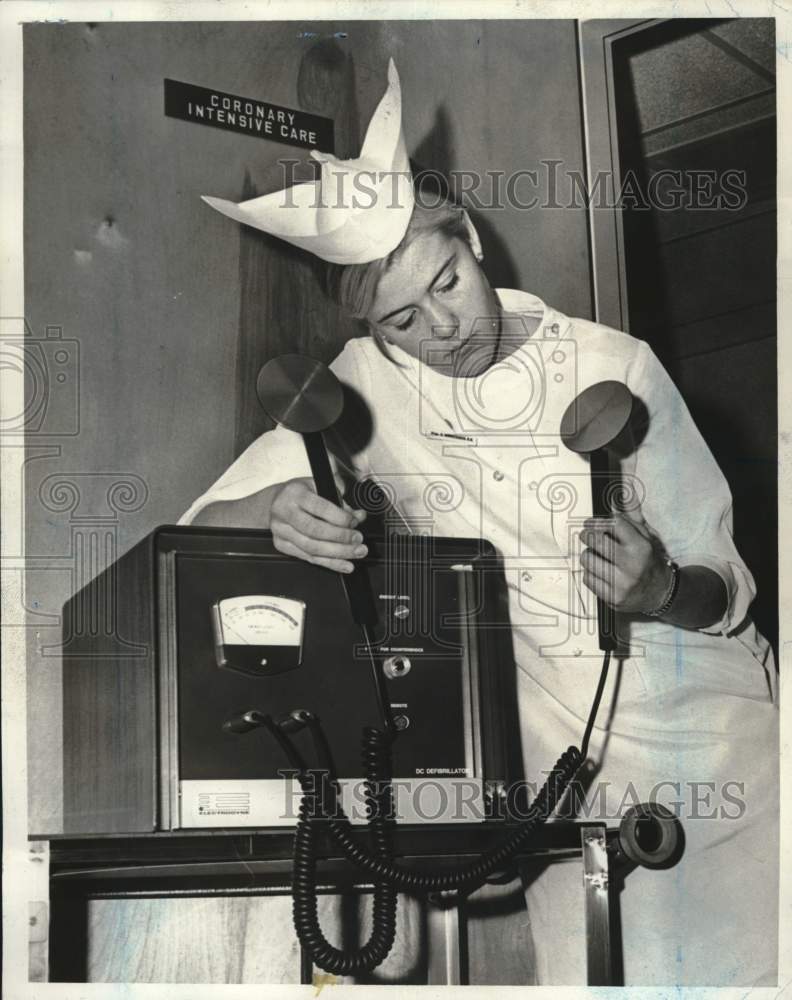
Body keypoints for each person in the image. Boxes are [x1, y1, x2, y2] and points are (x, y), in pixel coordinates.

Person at [180, 60, 779, 987]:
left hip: (724, 750)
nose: (445, 329)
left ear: (473, 242)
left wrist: (661, 587)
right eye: (405, 321)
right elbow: (205, 521)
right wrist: (274, 512)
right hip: (561, 783)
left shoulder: (616, 363)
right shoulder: (361, 387)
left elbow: (727, 593)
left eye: (449, 283)